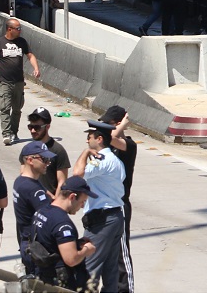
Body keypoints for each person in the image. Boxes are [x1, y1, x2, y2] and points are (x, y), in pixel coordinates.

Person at [71, 119, 131, 292]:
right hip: (115, 217)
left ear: (99, 139)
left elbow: (77, 174)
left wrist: (84, 153)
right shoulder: (117, 161)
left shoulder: (101, 159)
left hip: (101, 221)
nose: (87, 141)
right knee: (110, 270)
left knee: (89, 266)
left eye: (89, 137)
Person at [28, 175, 97, 289]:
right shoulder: (62, 223)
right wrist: (86, 250)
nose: (82, 206)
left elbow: (49, 242)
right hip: (59, 282)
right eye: (82, 201)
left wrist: (75, 243)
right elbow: (71, 259)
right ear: (72, 197)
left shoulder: (41, 212)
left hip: (42, 276)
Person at [0, 18, 41, 146]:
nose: (20, 31)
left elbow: (30, 55)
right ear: (10, 29)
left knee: (17, 109)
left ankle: (14, 132)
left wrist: (36, 68)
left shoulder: (22, 42)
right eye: (18, 28)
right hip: (4, 82)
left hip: (19, 82)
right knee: (4, 108)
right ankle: (6, 134)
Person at [101, 105, 138, 291]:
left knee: (122, 252)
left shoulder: (129, 146)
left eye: (109, 124)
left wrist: (123, 124)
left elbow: (112, 137)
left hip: (121, 204)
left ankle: (126, 288)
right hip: (106, 205)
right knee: (107, 251)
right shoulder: (108, 146)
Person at [13, 140, 55, 273]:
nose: (48, 163)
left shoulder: (23, 181)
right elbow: (50, 218)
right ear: (30, 160)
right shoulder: (31, 189)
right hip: (36, 247)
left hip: (29, 243)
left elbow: (51, 197)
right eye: (44, 159)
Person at [26, 107, 71, 195]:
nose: (33, 130)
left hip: (49, 204)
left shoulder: (58, 150)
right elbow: (24, 175)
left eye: (37, 127)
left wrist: (55, 204)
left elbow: (62, 182)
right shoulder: (28, 149)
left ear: (47, 127)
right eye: (30, 127)